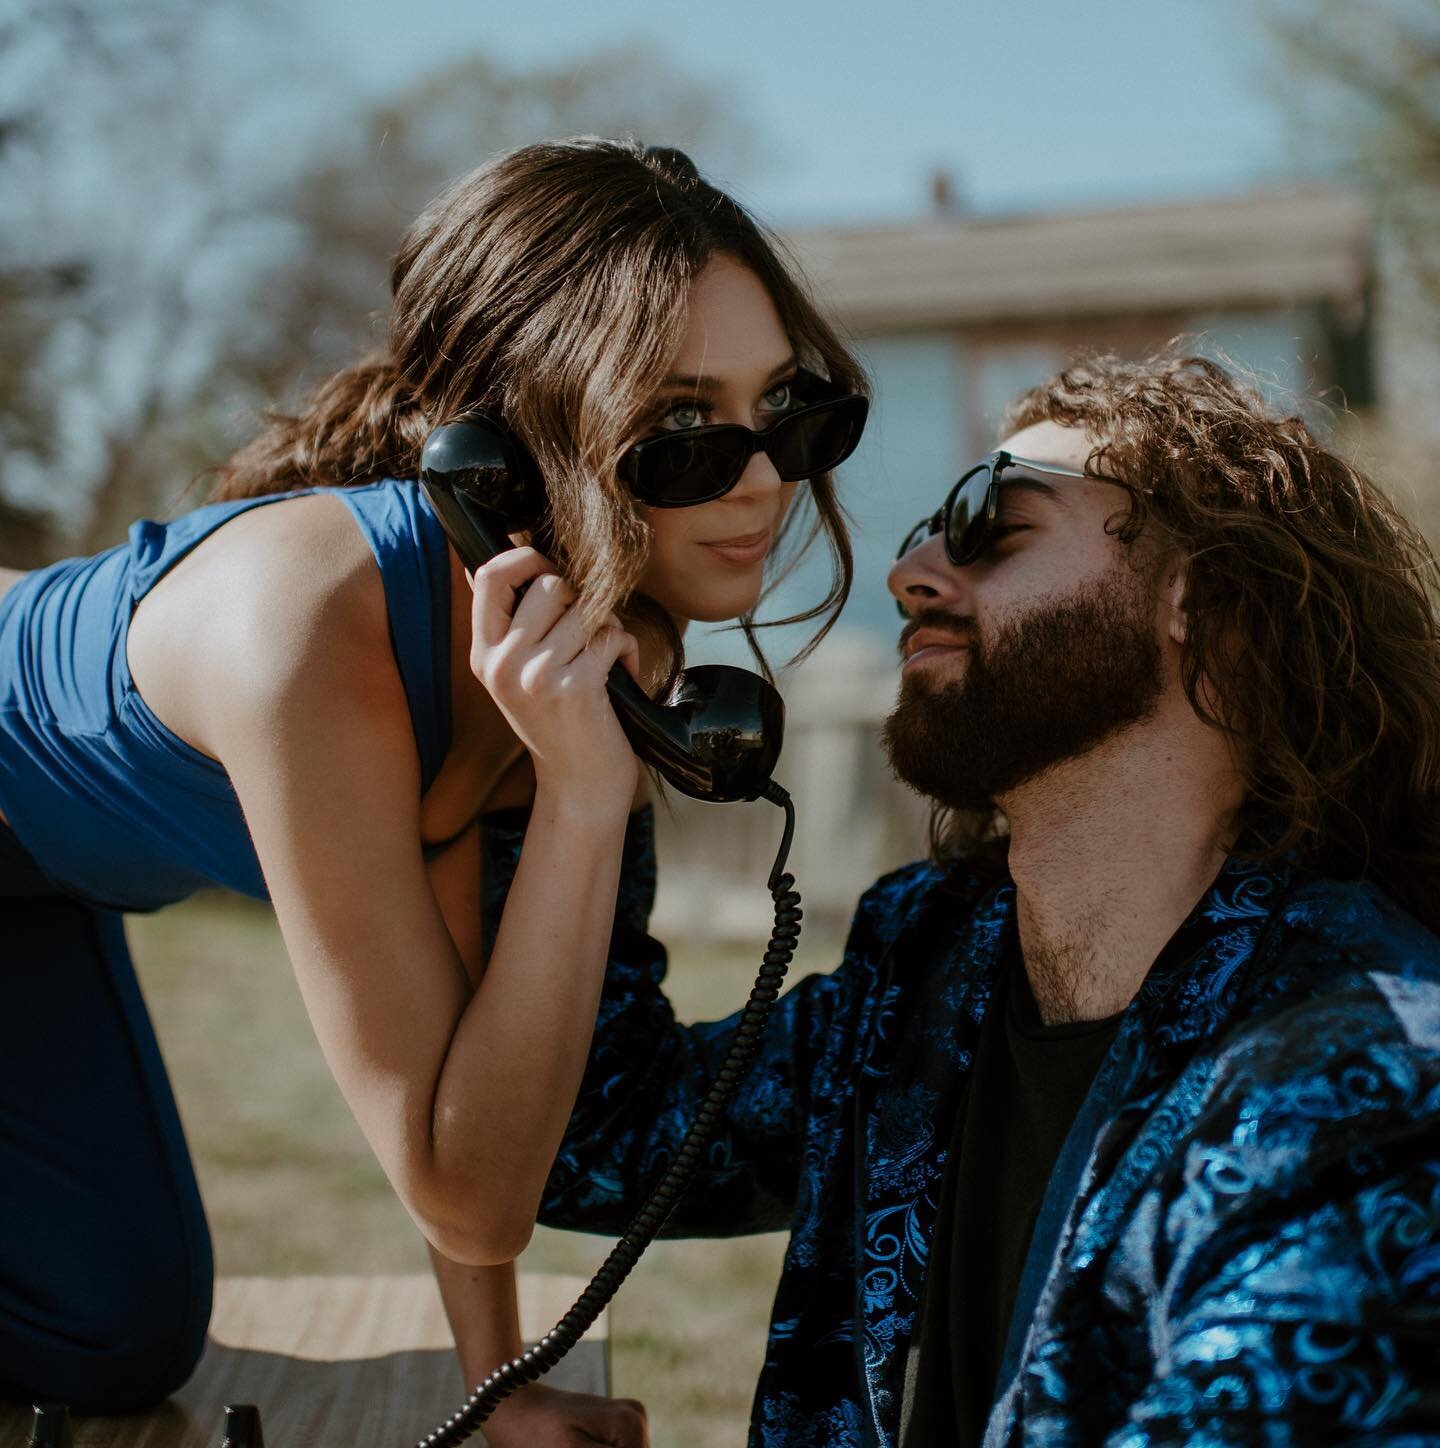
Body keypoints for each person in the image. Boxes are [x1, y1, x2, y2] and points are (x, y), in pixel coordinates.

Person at [0, 138, 869, 1445]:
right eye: (684, 429)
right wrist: (583, 798)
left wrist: (496, 1381)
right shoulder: (309, 625)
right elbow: (462, 1188)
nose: (760, 477)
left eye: (793, 408)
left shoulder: (564, 615)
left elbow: (464, 1089)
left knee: (110, 1342)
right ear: (509, 448)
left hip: (45, 882)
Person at [494, 351, 1440, 1446]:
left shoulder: (1363, 1087)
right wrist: (574, 787)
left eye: (996, 523)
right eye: (923, 534)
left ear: (1212, 608)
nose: (915, 574)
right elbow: (588, 1136)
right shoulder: (924, 972)